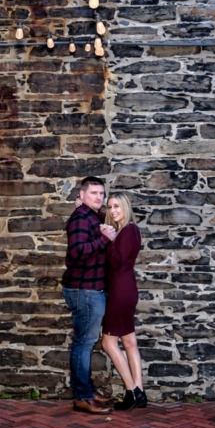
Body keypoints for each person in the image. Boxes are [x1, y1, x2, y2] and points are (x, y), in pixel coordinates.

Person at [62, 176, 116, 414]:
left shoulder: (91, 216)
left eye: (101, 193)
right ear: (81, 195)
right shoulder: (80, 218)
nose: (98, 197)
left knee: (86, 342)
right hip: (84, 290)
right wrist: (104, 239)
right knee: (83, 343)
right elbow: (76, 253)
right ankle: (82, 397)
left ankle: (87, 391)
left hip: (91, 289)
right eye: (93, 193)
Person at [99, 192, 147, 410]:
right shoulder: (127, 231)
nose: (113, 211)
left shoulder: (127, 230)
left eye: (117, 206)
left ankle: (132, 391)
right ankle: (141, 393)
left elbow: (118, 264)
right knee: (129, 342)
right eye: (109, 207)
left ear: (126, 208)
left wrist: (109, 240)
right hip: (127, 290)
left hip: (120, 291)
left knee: (108, 342)